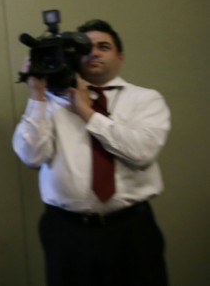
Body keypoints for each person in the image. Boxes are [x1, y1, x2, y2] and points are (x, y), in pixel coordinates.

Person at [12, 19, 170, 286]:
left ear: (119, 57)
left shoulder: (145, 99)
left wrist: (87, 112)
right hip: (67, 231)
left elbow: (142, 152)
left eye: (103, 46)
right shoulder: (49, 104)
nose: (94, 53)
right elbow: (31, 156)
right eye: (85, 48)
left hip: (132, 229)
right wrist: (36, 94)